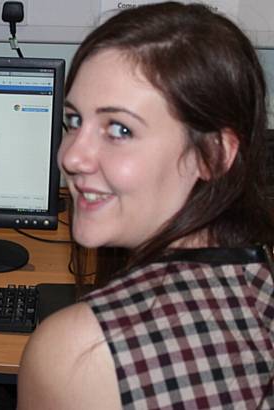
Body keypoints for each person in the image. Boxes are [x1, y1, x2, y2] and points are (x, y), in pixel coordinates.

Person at [18, 2, 274, 409]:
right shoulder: (257, 282)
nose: (71, 156)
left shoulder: (79, 352)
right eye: (74, 121)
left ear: (212, 155)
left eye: (119, 129)